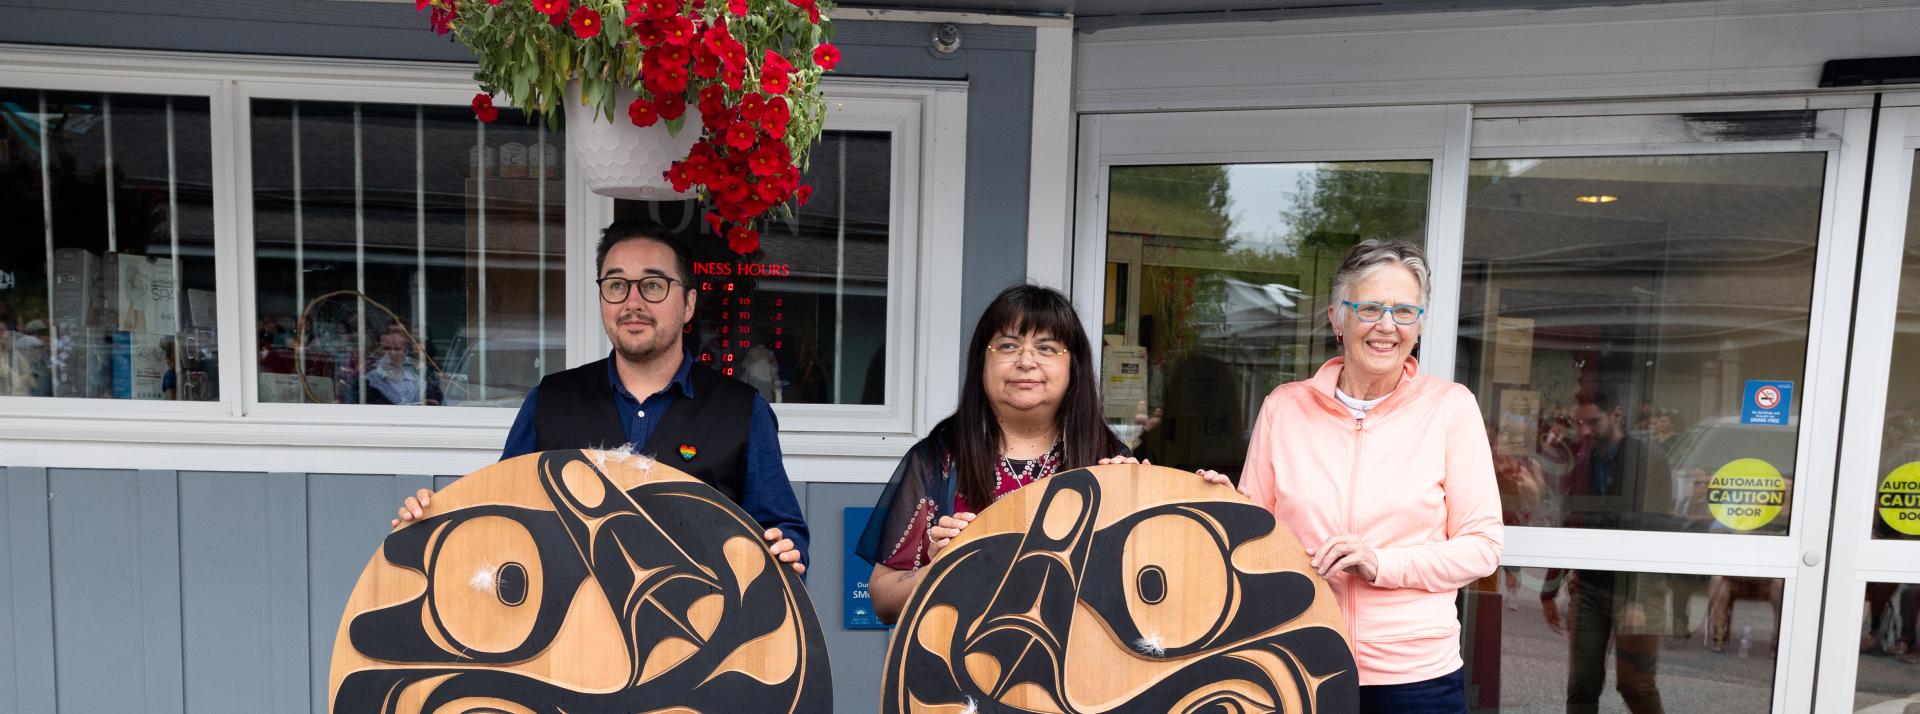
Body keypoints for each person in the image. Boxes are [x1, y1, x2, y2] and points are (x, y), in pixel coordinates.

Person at [394, 219, 810, 573]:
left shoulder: (740, 411)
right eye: (616, 286)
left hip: (700, 649)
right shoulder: (550, 402)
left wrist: (786, 552)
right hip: (568, 649)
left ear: (688, 304)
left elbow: (782, 534)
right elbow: (500, 517)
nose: (632, 302)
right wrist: (435, 523)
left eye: (652, 285)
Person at [1202, 239, 1503, 713]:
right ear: (1338, 318)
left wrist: (1380, 563)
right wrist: (1223, 509)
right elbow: (1254, 539)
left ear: (1420, 324)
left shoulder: (1450, 408)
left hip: (1415, 677)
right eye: (1370, 308)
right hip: (1298, 660)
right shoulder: (1285, 406)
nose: (1387, 326)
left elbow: (1483, 547)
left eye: (1405, 311)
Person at [855, 284, 1130, 623]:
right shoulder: (939, 459)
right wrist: (938, 569)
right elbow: (884, 601)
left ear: (1073, 364)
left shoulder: (1109, 460)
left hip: (1081, 669)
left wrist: (1199, 498)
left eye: (1046, 348)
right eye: (1008, 346)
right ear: (982, 361)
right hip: (958, 663)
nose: (1026, 361)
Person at [1538, 386, 1677, 712]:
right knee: (1582, 686)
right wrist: (1549, 589)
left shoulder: (1650, 461)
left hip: (1639, 588)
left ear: (1617, 415)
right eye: (1580, 424)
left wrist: (1637, 598)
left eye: (1593, 422)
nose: (1585, 431)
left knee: (1635, 685)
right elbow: (1569, 526)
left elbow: (1654, 531)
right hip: (1589, 588)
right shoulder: (1583, 461)